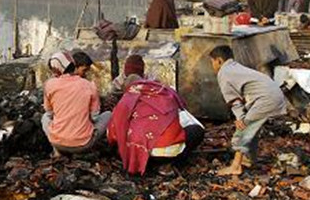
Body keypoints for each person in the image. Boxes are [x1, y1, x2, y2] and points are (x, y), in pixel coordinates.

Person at [209, 46, 287, 176]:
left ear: (219, 60)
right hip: (273, 94)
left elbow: (233, 99)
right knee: (252, 127)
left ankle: (236, 166)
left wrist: (240, 117)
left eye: (212, 62)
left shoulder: (224, 72)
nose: (212, 65)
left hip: (266, 98)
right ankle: (249, 159)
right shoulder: (235, 67)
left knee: (244, 129)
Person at [107, 77, 204, 175]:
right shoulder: (164, 92)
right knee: (197, 131)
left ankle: (141, 164)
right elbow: (183, 114)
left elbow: (112, 134)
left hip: (135, 154)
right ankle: (169, 165)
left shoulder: (125, 100)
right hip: (164, 154)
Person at [42, 51, 108, 156]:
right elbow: (94, 118)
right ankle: (89, 150)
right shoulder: (90, 86)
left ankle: (56, 151)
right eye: (85, 70)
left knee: (45, 117)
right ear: (74, 65)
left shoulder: (49, 85)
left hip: (58, 142)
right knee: (108, 115)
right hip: (83, 145)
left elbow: (49, 114)